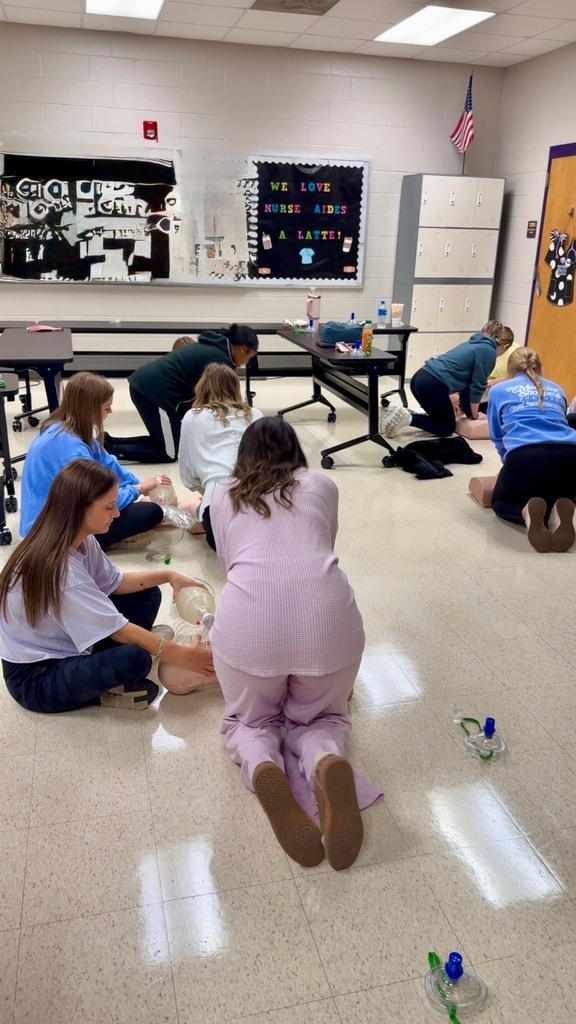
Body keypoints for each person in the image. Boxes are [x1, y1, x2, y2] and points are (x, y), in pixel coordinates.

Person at [209, 417, 382, 871]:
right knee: (322, 715)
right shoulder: (322, 484)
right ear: (296, 452)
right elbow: (324, 542)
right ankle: (324, 758)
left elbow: (228, 564)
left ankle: (262, 763)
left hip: (249, 630)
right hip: (330, 627)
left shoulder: (223, 494)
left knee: (251, 720)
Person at [0, 460, 215, 714]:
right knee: (136, 659)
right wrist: (185, 655)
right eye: (109, 507)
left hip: (65, 636)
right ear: (80, 509)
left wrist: (169, 575)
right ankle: (104, 687)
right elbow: (120, 631)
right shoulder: (63, 572)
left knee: (148, 593)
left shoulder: (79, 537)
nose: (117, 514)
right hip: (35, 677)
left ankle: (123, 652)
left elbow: (116, 582)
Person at [19, 372, 170, 552]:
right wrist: (137, 490)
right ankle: (104, 543)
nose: (110, 412)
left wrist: (142, 485)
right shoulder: (70, 449)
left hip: (58, 517)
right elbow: (94, 500)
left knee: (138, 505)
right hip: (49, 534)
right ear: (89, 408)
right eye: (107, 407)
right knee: (150, 512)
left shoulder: (67, 428)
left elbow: (108, 463)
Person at [104, 324, 259, 463]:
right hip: (154, 393)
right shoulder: (220, 360)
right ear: (243, 348)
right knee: (169, 452)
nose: (245, 363)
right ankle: (106, 450)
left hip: (148, 387)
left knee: (168, 442)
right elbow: (219, 401)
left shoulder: (213, 348)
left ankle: (107, 443)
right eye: (249, 357)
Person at [488, 347, 576, 552]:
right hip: (571, 454)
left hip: (527, 455)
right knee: (553, 494)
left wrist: (508, 463)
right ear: (539, 366)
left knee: (501, 502)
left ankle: (526, 512)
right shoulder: (557, 388)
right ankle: (556, 512)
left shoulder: (499, 390)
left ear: (510, 368)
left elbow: (497, 435)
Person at [178, 363, 263, 550]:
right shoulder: (256, 415)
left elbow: (188, 475)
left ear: (202, 387)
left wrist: (209, 491)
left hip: (218, 503)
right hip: (262, 499)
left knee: (213, 532)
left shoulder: (192, 417)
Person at [380, 320, 514, 438]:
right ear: (505, 346)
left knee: (438, 419)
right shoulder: (489, 352)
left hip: (420, 378)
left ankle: (403, 415)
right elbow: (477, 387)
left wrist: (468, 413)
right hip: (432, 384)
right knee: (447, 428)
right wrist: (475, 415)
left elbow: (467, 388)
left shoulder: (474, 343)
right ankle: (409, 418)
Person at [478, 326, 518, 412]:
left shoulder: (515, 353)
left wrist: (503, 379)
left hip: (497, 391)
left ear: (505, 347)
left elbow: (523, 375)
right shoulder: (486, 347)